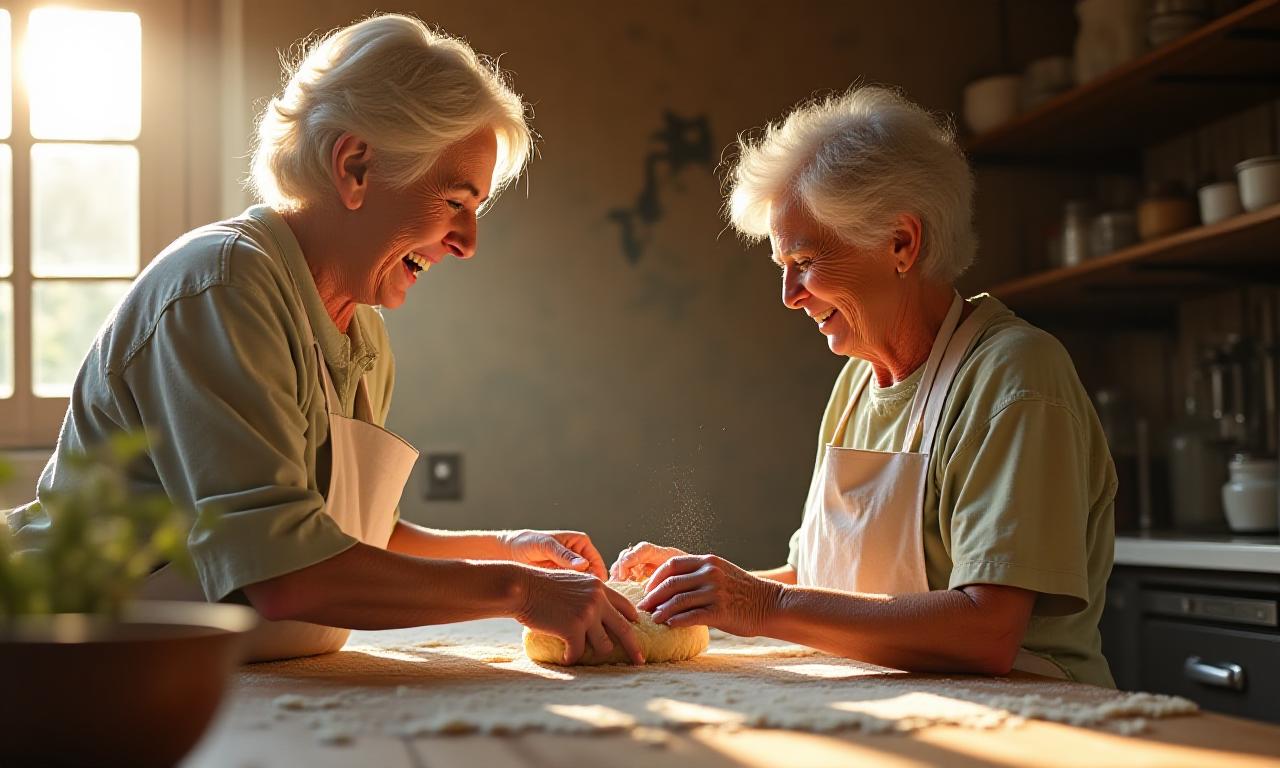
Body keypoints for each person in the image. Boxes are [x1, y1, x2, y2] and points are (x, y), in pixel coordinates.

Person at [7, 13, 641, 665]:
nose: (467, 242)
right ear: (355, 166)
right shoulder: (223, 286)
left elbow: (340, 536)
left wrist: (505, 546)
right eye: (455, 201)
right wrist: (520, 591)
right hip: (56, 663)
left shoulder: (363, 332)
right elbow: (283, 572)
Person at [612, 86, 1116, 686]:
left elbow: (988, 632)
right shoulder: (858, 382)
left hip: (1032, 716)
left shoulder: (1015, 376)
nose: (790, 296)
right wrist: (706, 589)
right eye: (782, 268)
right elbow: (821, 583)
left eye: (803, 261)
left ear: (900, 243)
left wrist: (759, 606)